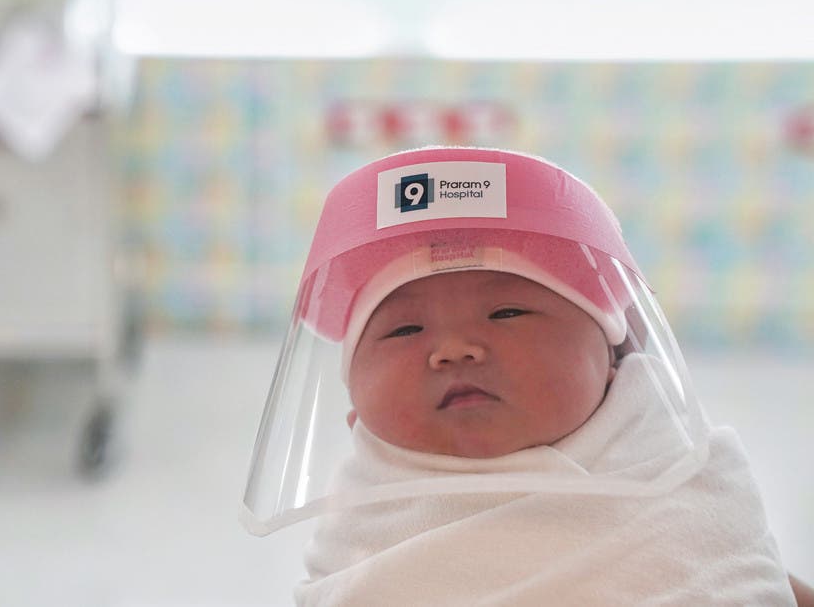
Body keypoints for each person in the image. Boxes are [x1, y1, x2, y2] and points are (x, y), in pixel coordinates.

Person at [240, 146, 810, 605]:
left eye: (507, 312)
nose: (455, 349)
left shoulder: (677, 473)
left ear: (613, 364)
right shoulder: (365, 528)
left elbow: (737, 571)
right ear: (354, 413)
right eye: (404, 330)